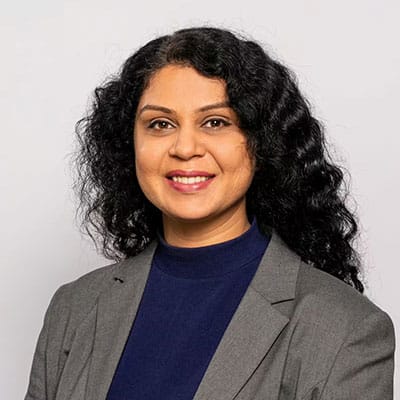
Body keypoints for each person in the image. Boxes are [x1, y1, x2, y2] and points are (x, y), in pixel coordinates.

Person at [25, 27, 395, 400]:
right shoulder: (73, 308)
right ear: (129, 143)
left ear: (262, 141)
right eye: (160, 124)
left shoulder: (345, 329)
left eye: (215, 122)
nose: (185, 148)